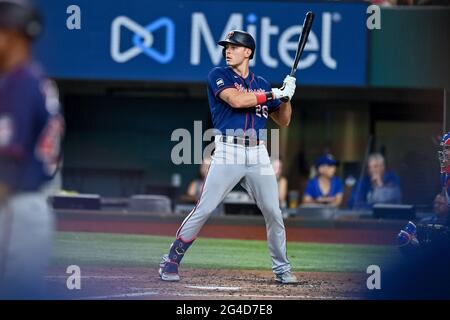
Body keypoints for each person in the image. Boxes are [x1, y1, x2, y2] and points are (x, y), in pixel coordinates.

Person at [159, 30, 298, 284]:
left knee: (274, 212)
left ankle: (282, 269)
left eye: (234, 46)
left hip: (258, 153)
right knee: (205, 208)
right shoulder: (218, 75)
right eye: (227, 46)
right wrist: (274, 95)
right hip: (228, 150)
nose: (228, 50)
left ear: (248, 52)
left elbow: (283, 121)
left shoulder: (263, 83)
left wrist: (287, 97)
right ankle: (171, 260)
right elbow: (236, 100)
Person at [0, 0, 64, 298]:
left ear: (13, 35)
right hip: (27, 207)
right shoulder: (34, 80)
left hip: (15, 207)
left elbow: (8, 165)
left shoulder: (19, 83)